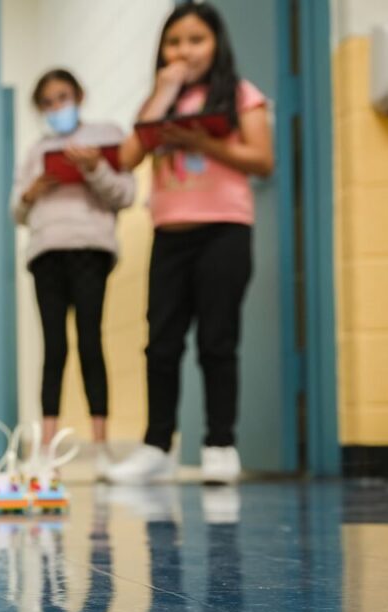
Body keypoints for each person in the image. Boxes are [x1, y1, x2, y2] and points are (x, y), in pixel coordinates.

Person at [108, 2, 274, 485]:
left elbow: (262, 160)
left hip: (225, 229)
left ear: (216, 43)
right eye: (174, 41)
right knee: (159, 344)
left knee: (217, 341)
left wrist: (203, 143)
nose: (184, 50)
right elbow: (127, 156)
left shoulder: (241, 94)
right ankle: (157, 446)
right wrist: (162, 92)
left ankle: (220, 445)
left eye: (196, 40)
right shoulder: (159, 99)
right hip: (169, 233)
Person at [10, 68, 135, 477]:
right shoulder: (36, 150)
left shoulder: (107, 136)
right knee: (53, 348)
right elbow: (17, 211)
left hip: (90, 251)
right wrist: (31, 193)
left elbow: (126, 194)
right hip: (46, 253)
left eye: (62, 97)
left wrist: (95, 168)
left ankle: (100, 447)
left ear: (79, 95)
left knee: (90, 342)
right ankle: (46, 448)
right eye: (46, 102)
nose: (55, 107)